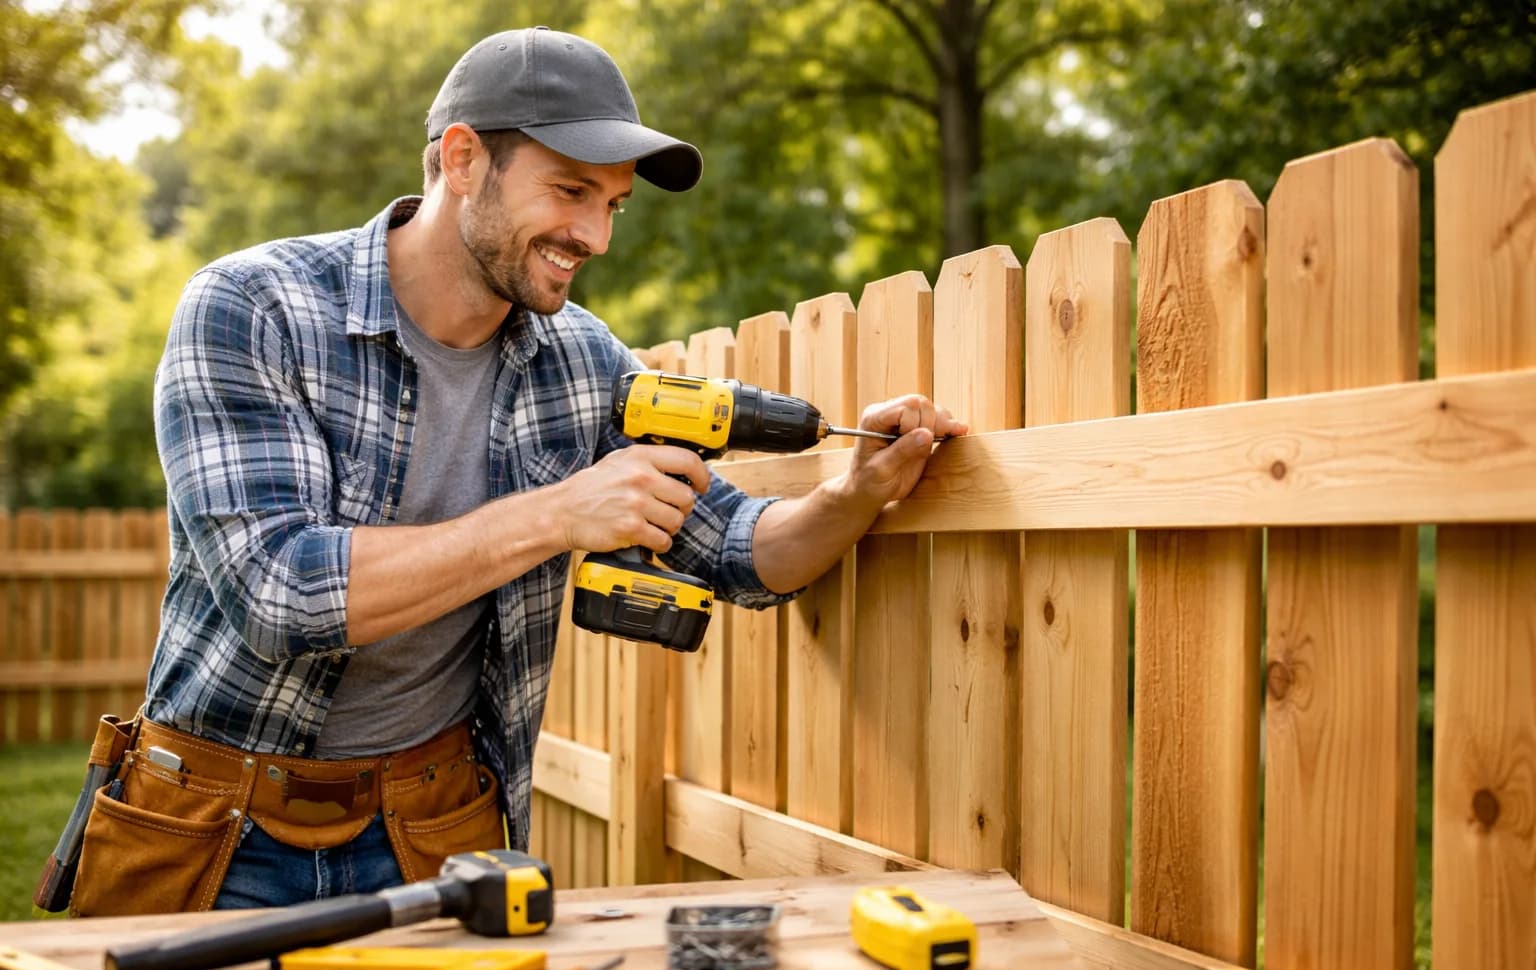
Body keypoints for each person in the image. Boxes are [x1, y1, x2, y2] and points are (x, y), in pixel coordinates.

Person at [66, 26, 965, 916]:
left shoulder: (582, 362)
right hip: (215, 825)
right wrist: (556, 516)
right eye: (571, 190)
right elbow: (280, 597)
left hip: (438, 824)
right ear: (462, 160)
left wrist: (856, 493)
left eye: (613, 204)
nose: (595, 236)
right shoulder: (254, 308)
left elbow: (738, 551)